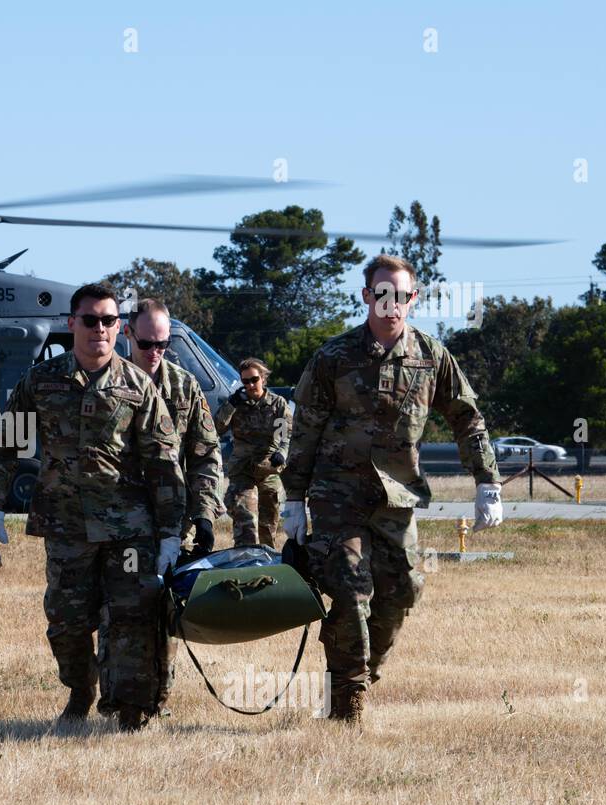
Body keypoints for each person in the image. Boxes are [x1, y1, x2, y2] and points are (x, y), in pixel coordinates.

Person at [283, 254, 503, 723]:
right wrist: (293, 498)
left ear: (413, 298)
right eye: (381, 294)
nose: (390, 304)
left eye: (399, 295)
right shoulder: (333, 357)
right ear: (366, 297)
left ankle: (355, 676)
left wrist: (487, 481)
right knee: (349, 590)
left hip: (397, 498)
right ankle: (347, 702)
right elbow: (304, 429)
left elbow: (467, 419)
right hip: (336, 495)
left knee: (403, 591)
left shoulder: (431, 356)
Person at [0, 283, 185, 732]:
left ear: (119, 327)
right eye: (90, 320)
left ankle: (130, 711)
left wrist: (170, 533)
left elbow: (165, 464)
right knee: (66, 623)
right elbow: (4, 445)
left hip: (128, 528)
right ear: (71, 324)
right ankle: (80, 688)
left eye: (109, 321)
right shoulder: (42, 381)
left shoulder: (138, 386)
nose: (100, 329)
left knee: (130, 618)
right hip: (66, 525)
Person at [123, 298, 222, 712]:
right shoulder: (111, 382)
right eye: (147, 344)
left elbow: (205, 454)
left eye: (163, 344)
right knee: (123, 612)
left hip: (170, 522)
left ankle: (157, 700)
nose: (155, 353)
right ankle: (121, 699)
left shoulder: (184, 387)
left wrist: (203, 513)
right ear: (128, 335)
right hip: (119, 521)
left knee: (165, 610)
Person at [213, 358, 291, 547]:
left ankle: (267, 564)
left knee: (267, 526)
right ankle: (244, 559)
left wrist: (281, 453)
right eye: (245, 381)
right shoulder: (235, 404)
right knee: (245, 519)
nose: (250, 385)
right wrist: (231, 404)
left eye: (254, 380)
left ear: (263, 379)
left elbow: (286, 435)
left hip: (267, 469)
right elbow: (216, 428)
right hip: (242, 470)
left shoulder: (277, 404)